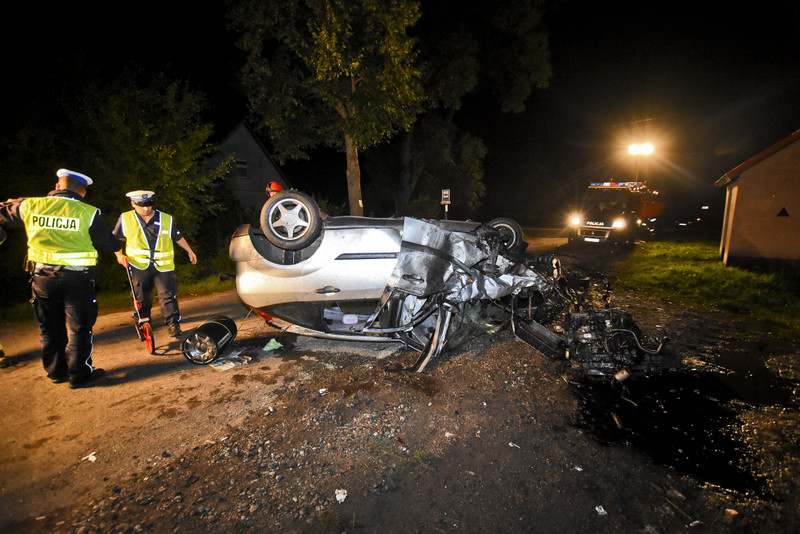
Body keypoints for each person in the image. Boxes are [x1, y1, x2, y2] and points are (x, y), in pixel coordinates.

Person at [0, 168, 121, 388]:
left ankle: (56, 371)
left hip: (42, 278)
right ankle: (79, 374)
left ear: (57, 186)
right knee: (78, 328)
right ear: (82, 193)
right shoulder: (87, 212)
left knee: (49, 327)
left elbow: (2, 212)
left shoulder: (30, 205)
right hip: (78, 280)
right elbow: (110, 244)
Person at [113, 190, 197, 338]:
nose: (146, 208)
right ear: (133, 203)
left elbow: (177, 236)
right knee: (141, 295)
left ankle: (173, 324)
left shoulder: (165, 218)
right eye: (141, 205)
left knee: (167, 294)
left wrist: (189, 251)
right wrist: (119, 255)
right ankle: (143, 319)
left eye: (148, 204)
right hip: (139, 265)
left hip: (163, 266)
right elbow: (117, 239)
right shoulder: (125, 218)